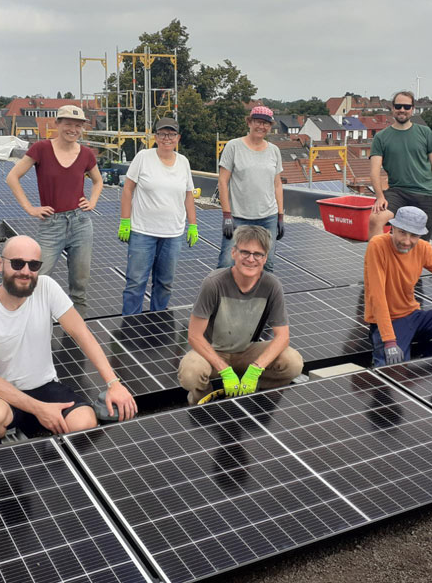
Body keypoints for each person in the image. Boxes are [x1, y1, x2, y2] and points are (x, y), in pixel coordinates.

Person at [0, 235, 137, 447]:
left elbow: (81, 333)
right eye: (17, 263)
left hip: (45, 386)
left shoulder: (46, 288)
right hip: (2, 393)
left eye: (33, 265)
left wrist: (114, 383)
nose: (26, 271)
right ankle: (3, 435)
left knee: (85, 422)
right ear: (0, 264)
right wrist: (38, 408)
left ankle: (46, 441)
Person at [179, 225, 303, 404]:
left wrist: (256, 369)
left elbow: (283, 337)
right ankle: (204, 402)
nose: (251, 259)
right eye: (245, 252)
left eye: (258, 254)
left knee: (292, 362)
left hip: (247, 350)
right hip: (214, 351)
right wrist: (223, 369)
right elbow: (194, 336)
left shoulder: (272, 285)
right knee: (191, 373)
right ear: (233, 253)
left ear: (265, 258)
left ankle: (255, 395)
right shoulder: (214, 283)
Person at [5, 104, 103, 309]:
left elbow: (98, 181)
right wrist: (30, 208)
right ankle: (29, 325)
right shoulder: (41, 149)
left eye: (78, 126)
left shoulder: (86, 154)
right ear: (57, 123)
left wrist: (92, 201)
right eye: (68, 124)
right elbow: (12, 177)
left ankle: (76, 333)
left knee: (80, 283)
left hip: (81, 223)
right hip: (52, 224)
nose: (73, 129)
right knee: (35, 279)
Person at [364, 205, 432, 366]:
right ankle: (399, 360)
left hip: (413, 316)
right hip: (389, 322)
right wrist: (389, 341)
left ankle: (426, 359)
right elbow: (377, 296)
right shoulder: (377, 245)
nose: (407, 241)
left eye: (414, 235)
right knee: (391, 369)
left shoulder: (423, 248)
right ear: (393, 228)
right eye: (402, 232)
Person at [118, 118, 198, 315]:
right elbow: (128, 189)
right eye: (162, 134)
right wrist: (125, 220)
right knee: (136, 283)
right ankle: (131, 325)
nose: (166, 138)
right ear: (156, 137)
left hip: (173, 234)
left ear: (178, 138)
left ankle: (158, 322)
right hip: (142, 232)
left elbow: (188, 195)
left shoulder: (183, 162)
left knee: (165, 283)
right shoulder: (143, 157)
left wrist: (193, 225)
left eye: (171, 134)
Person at [369, 90, 432, 239]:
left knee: (419, 243)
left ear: (412, 109)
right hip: (397, 192)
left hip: (425, 193)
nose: (402, 110)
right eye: (398, 106)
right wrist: (380, 197)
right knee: (375, 219)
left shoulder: (425, 133)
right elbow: (374, 172)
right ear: (392, 108)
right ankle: (377, 262)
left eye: (406, 107)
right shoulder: (381, 137)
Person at [217, 105, 284, 271]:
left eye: (266, 123)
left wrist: (280, 216)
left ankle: (261, 297)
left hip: (267, 217)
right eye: (258, 122)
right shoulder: (233, 146)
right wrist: (227, 214)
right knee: (226, 263)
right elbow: (223, 181)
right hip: (239, 216)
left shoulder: (274, 151)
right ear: (249, 122)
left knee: (266, 264)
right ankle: (223, 296)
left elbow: (277, 184)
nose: (261, 126)